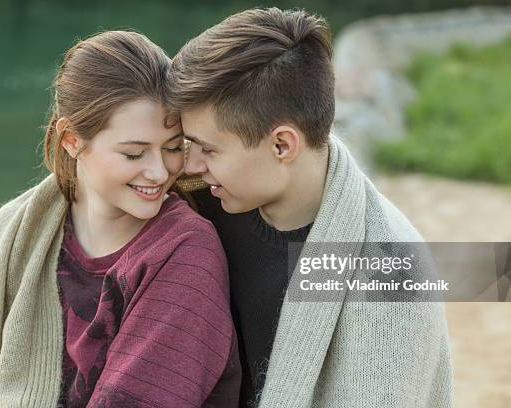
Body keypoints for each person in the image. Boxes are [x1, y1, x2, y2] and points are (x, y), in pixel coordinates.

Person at [168, 8, 453, 408]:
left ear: (282, 144)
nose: (191, 165)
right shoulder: (197, 200)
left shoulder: (392, 276)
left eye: (209, 149)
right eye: (186, 144)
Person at [0, 30, 240, 408]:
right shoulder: (13, 230)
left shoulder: (185, 249)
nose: (160, 173)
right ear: (71, 140)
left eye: (173, 148)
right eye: (134, 154)